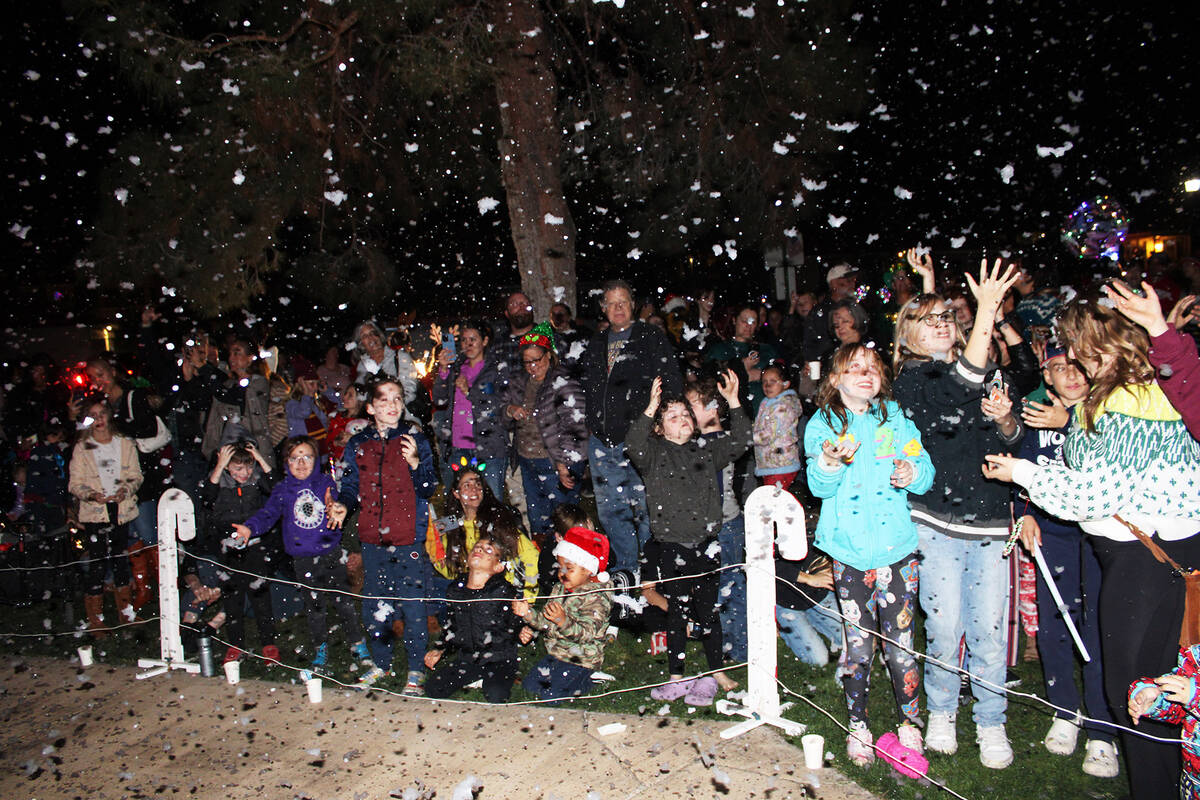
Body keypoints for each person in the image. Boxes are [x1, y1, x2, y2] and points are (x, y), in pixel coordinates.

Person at [982, 292, 1200, 800]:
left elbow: (1095, 492)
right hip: (1151, 558)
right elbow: (1088, 454)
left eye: (1077, 342)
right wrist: (1071, 419)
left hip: (1148, 562)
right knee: (1158, 685)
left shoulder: (1132, 400)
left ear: (1100, 341)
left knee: (1140, 692)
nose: (1072, 354)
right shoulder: (1127, 391)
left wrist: (1024, 472)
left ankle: (1160, 789)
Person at [891, 259, 1023, 769]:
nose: (943, 322)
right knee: (944, 630)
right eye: (929, 319)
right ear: (909, 335)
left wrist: (1007, 420)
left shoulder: (985, 371)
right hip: (937, 521)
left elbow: (1008, 440)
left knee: (990, 630)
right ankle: (943, 712)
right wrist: (986, 309)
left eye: (948, 316)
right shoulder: (911, 379)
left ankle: (992, 722)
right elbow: (951, 393)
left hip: (990, 518)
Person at [805, 343, 934, 764]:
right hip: (850, 554)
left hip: (897, 551)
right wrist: (828, 461)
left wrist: (911, 471)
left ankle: (910, 723)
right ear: (836, 378)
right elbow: (819, 487)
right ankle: (857, 725)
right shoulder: (822, 424)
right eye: (854, 367)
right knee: (858, 647)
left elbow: (924, 471)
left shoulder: (895, 419)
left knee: (900, 647)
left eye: (873, 367)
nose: (866, 374)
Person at [1011, 345, 1119, 777]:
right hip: (1053, 535)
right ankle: (1063, 710)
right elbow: (1024, 470)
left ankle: (1102, 729)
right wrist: (1025, 516)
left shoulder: (1109, 410)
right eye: (1059, 368)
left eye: (1077, 366)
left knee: (1099, 626)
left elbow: (1113, 459)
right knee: (1056, 623)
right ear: (1046, 375)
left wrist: (1071, 422)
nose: (1070, 375)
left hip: (1100, 536)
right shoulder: (1037, 418)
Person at [628, 371, 749, 702]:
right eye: (672, 416)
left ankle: (714, 673)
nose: (681, 419)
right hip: (671, 547)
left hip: (706, 545)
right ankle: (676, 677)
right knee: (678, 612)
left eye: (685, 414)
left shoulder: (707, 450)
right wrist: (651, 407)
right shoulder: (653, 454)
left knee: (708, 611)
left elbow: (741, 441)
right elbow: (633, 444)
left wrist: (735, 402)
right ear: (659, 427)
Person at [232, 436, 369, 680]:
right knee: (314, 606)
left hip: (331, 553)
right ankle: (321, 648)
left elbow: (336, 500)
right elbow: (268, 513)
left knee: (343, 601)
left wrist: (333, 502)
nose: (301, 463)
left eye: (307, 456)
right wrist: (250, 528)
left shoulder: (325, 482)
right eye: (295, 458)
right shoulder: (283, 490)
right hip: (303, 559)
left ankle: (356, 643)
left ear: (316, 460)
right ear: (287, 463)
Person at [336, 378, 438, 694]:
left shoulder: (415, 439)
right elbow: (351, 486)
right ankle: (381, 663)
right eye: (384, 400)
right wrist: (342, 504)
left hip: (407, 537)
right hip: (372, 538)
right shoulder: (358, 444)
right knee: (375, 605)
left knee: (412, 605)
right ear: (371, 408)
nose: (392, 405)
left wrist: (415, 463)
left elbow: (429, 487)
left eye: (397, 399)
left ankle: (416, 670)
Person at [581, 279, 683, 574]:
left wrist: (660, 425)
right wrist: (591, 424)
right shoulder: (597, 342)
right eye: (611, 303)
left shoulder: (650, 337)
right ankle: (627, 570)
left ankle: (652, 569)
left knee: (645, 507)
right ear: (603, 308)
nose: (618, 308)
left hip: (640, 438)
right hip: (602, 440)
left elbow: (671, 381)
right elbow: (589, 388)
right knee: (611, 510)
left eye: (623, 301)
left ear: (633, 304)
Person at [82, 357, 171, 612]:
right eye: (93, 377)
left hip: (141, 478)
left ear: (112, 371)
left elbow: (145, 428)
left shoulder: (133, 397)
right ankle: (143, 589)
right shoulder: (100, 405)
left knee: (149, 535)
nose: (98, 380)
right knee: (130, 537)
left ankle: (166, 588)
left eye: (101, 373)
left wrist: (113, 424)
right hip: (114, 482)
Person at [685, 375, 751, 664]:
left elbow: (743, 438)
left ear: (712, 408)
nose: (687, 412)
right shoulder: (699, 441)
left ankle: (738, 647)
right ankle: (728, 642)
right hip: (714, 528)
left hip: (726, 527)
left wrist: (734, 401)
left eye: (691, 406)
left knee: (730, 586)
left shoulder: (721, 441)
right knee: (723, 585)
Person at [504, 324, 588, 542]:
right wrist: (510, 410)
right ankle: (545, 565)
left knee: (564, 519)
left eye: (537, 360)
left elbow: (575, 427)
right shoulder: (521, 383)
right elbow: (501, 408)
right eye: (527, 361)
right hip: (528, 460)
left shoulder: (564, 382)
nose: (532, 366)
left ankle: (571, 563)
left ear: (549, 356)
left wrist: (563, 464)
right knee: (538, 520)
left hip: (554, 463)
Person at [513, 526, 614, 702]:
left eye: (569, 567)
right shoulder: (560, 589)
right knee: (530, 686)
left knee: (551, 696)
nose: (562, 573)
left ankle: (589, 680)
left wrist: (563, 620)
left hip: (582, 658)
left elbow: (587, 634)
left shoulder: (596, 598)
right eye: (560, 567)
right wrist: (528, 614)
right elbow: (547, 623)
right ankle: (568, 679)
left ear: (588, 570)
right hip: (557, 653)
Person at [68, 399, 142, 639]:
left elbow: (135, 475)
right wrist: (91, 494)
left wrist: (125, 491)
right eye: (93, 415)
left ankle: (126, 613)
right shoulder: (82, 447)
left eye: (102, 414)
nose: (99, 419)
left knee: (121, 558)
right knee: (98, 562)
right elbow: (74, 482)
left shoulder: (124, 444)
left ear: (109, 416)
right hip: (95, 511)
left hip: (119, 509)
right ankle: (96, 620)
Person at [200, 442, 279, 665]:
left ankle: (269, 643)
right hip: (227, 548)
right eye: (236, 469)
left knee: (260, 594)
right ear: (226, 467)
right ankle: (236, 644)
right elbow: (206, 498)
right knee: (232, 596)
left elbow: (276, 487)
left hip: (254, 545)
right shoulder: (218, 481)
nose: (243, 474)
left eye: (247, 468)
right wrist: (219, 466)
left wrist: (261, 459)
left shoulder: (255, 480)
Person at [423, 536, 524, 703]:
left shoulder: (502, 591)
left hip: (499, 658)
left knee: (495, 695)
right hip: (468, 658)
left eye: (488, 550)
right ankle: (477, 677)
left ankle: (497, 677)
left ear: (498, 567)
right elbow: (452, 626)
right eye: (477, 547)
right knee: (434, 688)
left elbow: (514, 622)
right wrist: (440, 649)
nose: (480, 550)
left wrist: (523, 628)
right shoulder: (456, 590)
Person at [430, 467, 539, 601]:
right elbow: (451, 571)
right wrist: (434, 547)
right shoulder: (452, 525)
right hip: (469, 592)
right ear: (456, 493)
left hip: (499, 592)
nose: (474, 490)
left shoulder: (497, 520)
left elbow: (531, 555)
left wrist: (528, 597)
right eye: (467, 486)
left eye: (478, 484)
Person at [433, 319, 508, 497]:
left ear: (485, 341)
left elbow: (501, 404)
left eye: (473, 339)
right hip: (459, 446)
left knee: (491, 500)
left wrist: (470, 391)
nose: (468, 344)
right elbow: (439, 399)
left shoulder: (496, 368)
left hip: (488, 447)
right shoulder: (457, 367)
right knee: (459, 501)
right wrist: (443, 369)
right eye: (464, 340)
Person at [1128, 646, 1200, 800]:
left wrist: (1196, 697)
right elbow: (1183, 706)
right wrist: (1155, 699)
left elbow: (1193, 696)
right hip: (1192, 778)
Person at [202, 339, 274, 468]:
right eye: (230, 354)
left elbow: (235, 397)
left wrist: (203, 367)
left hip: (253, 451)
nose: (232, 358)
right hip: (227, 453)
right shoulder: (229, 384)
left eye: (237, 353)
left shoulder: (259, 383)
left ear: (250, 358)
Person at [705, 305, 779, 414]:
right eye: (744, 321)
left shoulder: (767, 350)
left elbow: (782, 377)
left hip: (767, 415)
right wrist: (742, 368)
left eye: (753, 322)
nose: (748, 326)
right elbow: (709, 381)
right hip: (733, 415)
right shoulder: (720, 350)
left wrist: (763, 375)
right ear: (735, 320)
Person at [752, 363, 802, 491]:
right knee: (774, 499)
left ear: (785, 384)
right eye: (764, 382)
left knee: (773, 502)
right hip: (772, 463)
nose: (767, 386)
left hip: (780, 464)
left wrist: (746, 437)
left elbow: (768, 435)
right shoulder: (770, 403)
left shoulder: (782, 407)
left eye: (773, 381)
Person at [352, 320, 420, 409]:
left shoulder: (400, 357)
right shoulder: (362, 365)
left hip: (402, 413)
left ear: (379, 336)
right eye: (365, 336)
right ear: (361, 343)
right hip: (375, 416)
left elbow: (409, 390)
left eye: (373, 333)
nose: (371, 338)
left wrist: (391, 407)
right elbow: (360, 394)